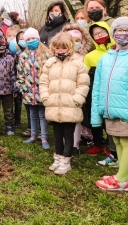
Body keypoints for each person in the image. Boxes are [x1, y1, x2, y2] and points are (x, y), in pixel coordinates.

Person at [40, 32, 90, 175]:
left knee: (68, 134)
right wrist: (46, 98)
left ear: (70, 48)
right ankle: (58, 156)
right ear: (53, 48)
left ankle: (66, 160)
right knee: (57, 134)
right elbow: (44, 82)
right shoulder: (50, 64)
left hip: (70, 106)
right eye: (57, 48)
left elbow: (83, 84)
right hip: (54, 105)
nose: (60, 51)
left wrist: (77, 100)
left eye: (64, 48)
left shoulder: (78, 64)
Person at [93, 17, 128, 191]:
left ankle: (122, 178)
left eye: (126, 31)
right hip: (110, 109)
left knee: (127, 143)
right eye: (118, 31)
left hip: (125, 111)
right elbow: (98, 86)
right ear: (113, 34)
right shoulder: (106, 58)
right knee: (119, 142)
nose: (122, 34)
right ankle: (122, 173)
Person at [83, 21, 115, 158]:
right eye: (95, 34)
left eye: (102, 32)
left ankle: (112, 146)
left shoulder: (116, 52)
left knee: (110, 118)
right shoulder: (90, 56)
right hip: (94, 90)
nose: (99, 35)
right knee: (94, 116)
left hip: (111, 90)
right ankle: (98, 143)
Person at [61, 23, 94, 155]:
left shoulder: (83, 58)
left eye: (77, 41)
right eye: (71, 41)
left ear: (83, 41)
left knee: (76, 119)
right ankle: (65, 142)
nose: (74, 44)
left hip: (77, 94)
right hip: (64, 92)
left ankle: (75, 144)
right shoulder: (62, 57)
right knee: (64, 118)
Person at [17, 27, 51, 149]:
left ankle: (44, 137)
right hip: (28, 91)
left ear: (38, 39)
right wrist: (21, 86)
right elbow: (20, 72)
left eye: (33, 38)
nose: (31, 41)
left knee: (42, 114)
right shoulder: (23, 56)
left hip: (42, 90)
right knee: (32, 114)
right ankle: (33, 135)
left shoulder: (46, 54)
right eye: (28, 39)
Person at [0, 30, 16, 135]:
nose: (1, 52)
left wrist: (15, 88)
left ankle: (9, 125)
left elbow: (13, 73)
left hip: (8, 89)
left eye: (3, 50)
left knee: (8, 109)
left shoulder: (10, 58)